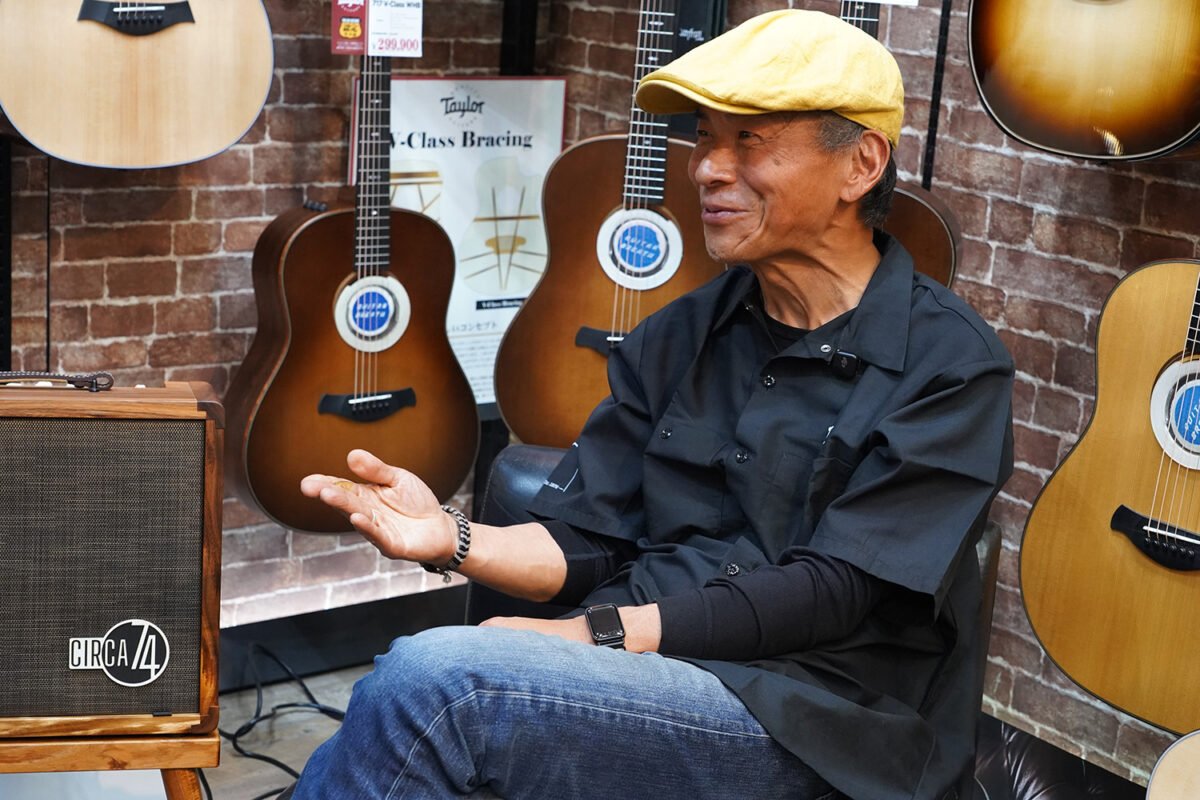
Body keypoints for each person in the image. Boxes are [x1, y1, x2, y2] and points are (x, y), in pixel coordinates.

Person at [284, 9, 1014, 800]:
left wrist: (592, 634)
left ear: (860, 164)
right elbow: (596, 535)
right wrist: (452, 538)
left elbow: (834, 591)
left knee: (440, 683)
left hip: (810, 718)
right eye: (705, 137)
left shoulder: (951, 365)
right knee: (427, 684)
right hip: (644, 670)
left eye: (749, 141)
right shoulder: (681, 332)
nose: (705, 168)